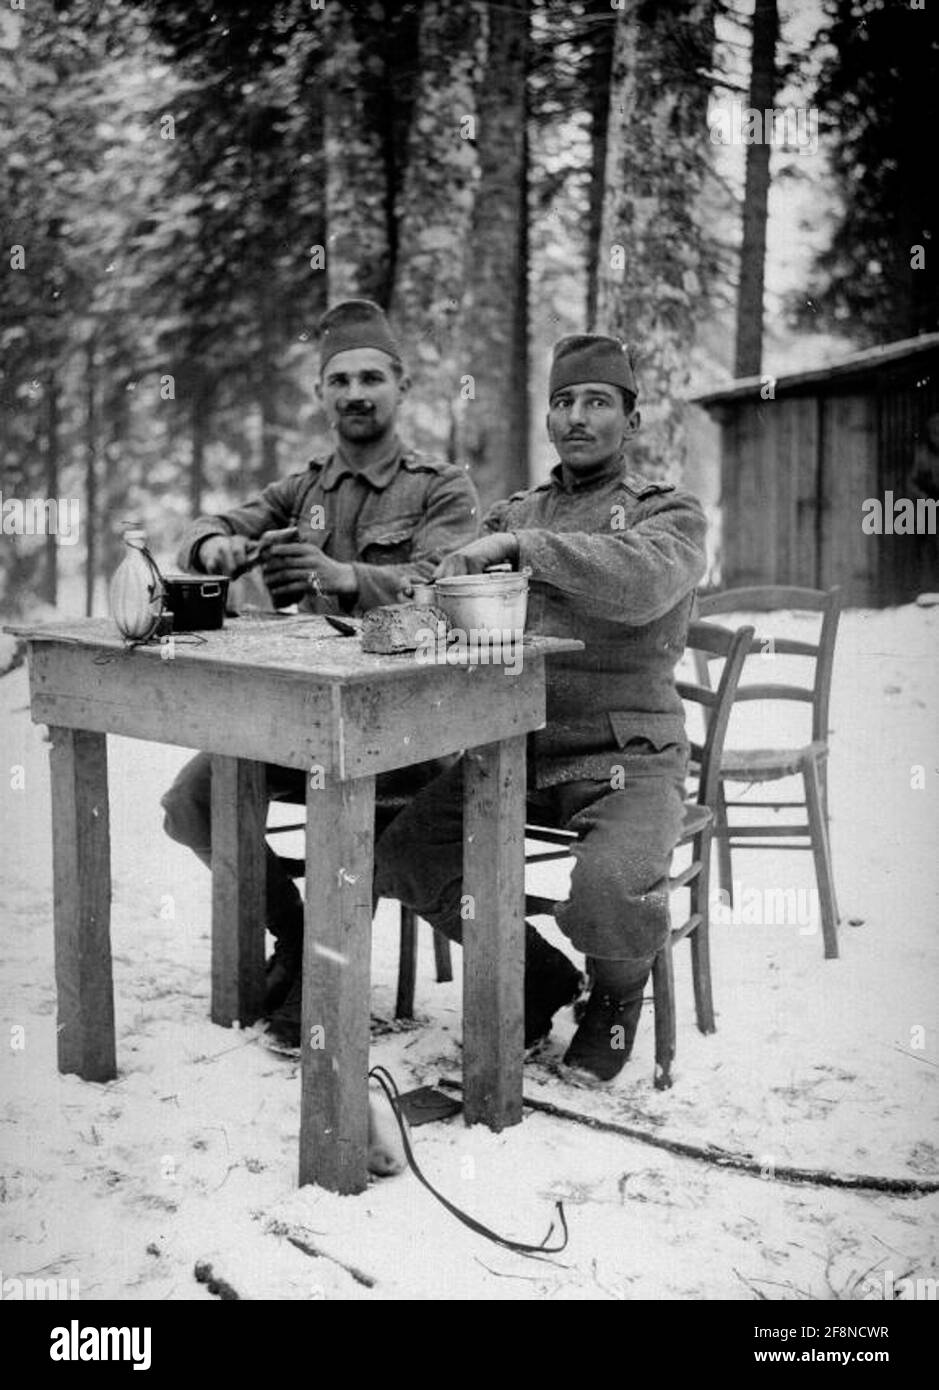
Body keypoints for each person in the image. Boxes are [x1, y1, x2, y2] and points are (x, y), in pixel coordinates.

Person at [374, 333, 708, 1084]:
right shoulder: (514, 511)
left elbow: (643, 584)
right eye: (562, 402)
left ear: (632, 418)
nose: (576, 418)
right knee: (403, 854)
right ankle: (542, 976)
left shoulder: (669, 513)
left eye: (597, 402)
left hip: (628, 753)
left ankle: (618, 998)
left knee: (608, 882)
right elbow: (453, 585)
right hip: (516, 746)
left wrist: (519, 549)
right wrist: (417, 592)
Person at [161, 299, 480, 1046]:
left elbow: (445, 589)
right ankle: (300, 936)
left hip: (409, 732)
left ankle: (313, 986)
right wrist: (214, 552)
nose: (355, 394)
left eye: (371, 377)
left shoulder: (442, 487)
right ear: (321, 395)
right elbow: (207, 528)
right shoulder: (300, 491)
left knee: (347, 807)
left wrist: (346, 577)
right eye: (339, 380)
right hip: (298, 722)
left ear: (402, 387)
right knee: (192, 803)